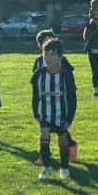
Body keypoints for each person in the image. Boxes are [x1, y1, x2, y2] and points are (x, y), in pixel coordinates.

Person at [30, 38, 78, 180]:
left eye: (52, 54)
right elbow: (35, 96)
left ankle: (64, 167)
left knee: (63, 139)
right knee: (44, 135)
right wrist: (36, 113)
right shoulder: (38, 75)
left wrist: (69, 118)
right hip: (44, 113)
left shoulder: (66, 74)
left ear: (60, 57)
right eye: (46, 54)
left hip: (61, 114)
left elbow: (72, 98)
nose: (49, 58)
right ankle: (47, 167)